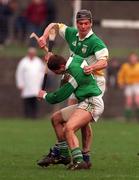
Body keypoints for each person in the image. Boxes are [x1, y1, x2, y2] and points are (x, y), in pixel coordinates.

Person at [38, 9, 109, 167]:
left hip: (93, 81)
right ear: (76, 24)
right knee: (70, 117)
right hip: (73, 75)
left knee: (80, 120)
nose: (83, 26)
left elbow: (104, 62)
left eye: (86, 23)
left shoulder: (95, 41)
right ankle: (65, 152)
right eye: (80, 23)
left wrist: (92, 67)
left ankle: (77, 154)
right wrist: (44, 36)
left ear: (91, 24)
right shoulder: (71, 33)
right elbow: (53, 25)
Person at [37, 54, 104, 170]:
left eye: (57, 72)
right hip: (84, 102)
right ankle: (63, 154)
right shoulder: (73, 59)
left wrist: (45, 95)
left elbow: (59, 97)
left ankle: (79, 161)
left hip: (92, 103)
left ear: (62, 66)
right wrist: (52, 57)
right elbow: (66, 63)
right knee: (56, 118)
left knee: (68, 128)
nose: (57, 74)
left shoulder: (75, 73)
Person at [15, 47, 45, 119]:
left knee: (35, 101)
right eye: (31, 53)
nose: (32, 55)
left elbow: (42, 72)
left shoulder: (38, 61)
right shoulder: (23, 62)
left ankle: (34, 116)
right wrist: (20, 84)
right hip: (26, 85)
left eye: (33, 53)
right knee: (27, 101)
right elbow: (19, 73)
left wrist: (40, 81)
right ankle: (27, 115)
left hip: (36, 85)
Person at [117, 52, 139, 121]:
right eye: (132, 58)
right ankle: (128, 118)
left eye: (134, 58)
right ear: (129, 59)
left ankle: (137, 117)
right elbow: (121, 75)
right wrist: (120, 82)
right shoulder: (125, 66)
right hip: (128, 85)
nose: (133, 59)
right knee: (128, 102)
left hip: (137, 84)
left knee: (137, 101)